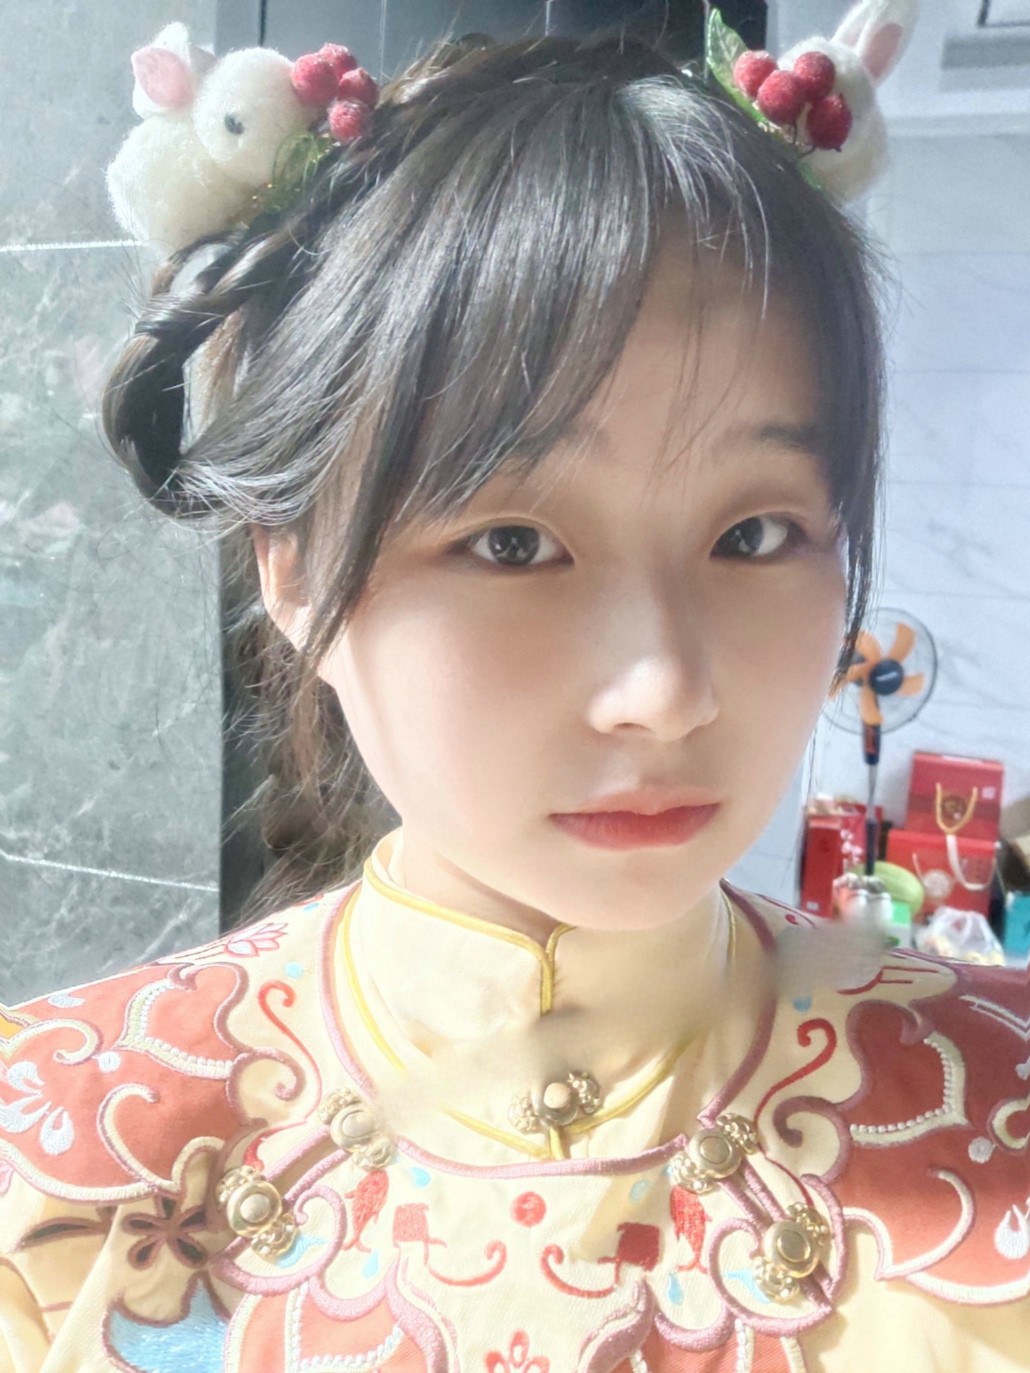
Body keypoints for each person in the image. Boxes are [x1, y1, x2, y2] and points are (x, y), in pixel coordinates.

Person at [2, 6, 1028, 1370]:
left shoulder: (999, 1103)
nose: (665, 691)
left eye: (752, 532)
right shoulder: (47, 1162)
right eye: (510, 544)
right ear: (292, 570)